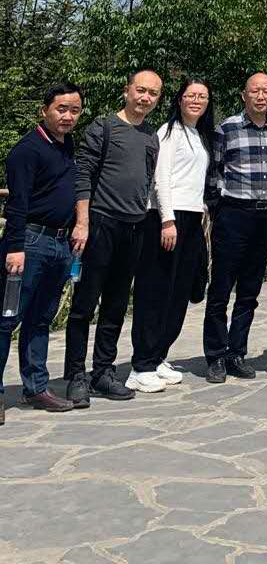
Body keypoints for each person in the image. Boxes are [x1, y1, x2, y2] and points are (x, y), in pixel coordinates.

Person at [63, 70, 163, 406]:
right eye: (140, 90)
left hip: (134, 227)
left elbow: (147, 181)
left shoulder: (151, 136)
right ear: (127, 91)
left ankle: (102, 372)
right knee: (84, 305)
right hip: (101, 224)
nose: (145, 98)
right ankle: (76, 376)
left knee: (116, 305)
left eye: (152, 93)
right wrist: (82, 222)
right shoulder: (103, 126)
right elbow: (83, 174)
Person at [1, 85, 83, 423]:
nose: (67, 116)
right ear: (44, 110)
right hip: (30, 243)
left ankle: (36, 387)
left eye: (74, 110)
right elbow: (17, 203)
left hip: (60, 244)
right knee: (7, 319)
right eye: (61, 109)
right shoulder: (27, 150)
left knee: (41, 319)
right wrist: (15, 247)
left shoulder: (67, 146)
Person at [128, 78, 213, 393]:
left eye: (202, 96)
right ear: (179, 99)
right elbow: (160, 179)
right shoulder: (169, 132)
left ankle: (158, 354)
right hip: (167, 219)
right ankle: (141, 365)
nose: (196, 100)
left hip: (192, 218)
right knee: (155, 291)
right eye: (191, 95)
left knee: (178, 292)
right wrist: (167, 219)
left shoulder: (199, 135)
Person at [203, 72, 267, 383]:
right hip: (233, 214)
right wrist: (219, 208)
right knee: (221, 288)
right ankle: (215, 355)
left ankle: (236, 352)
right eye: (255, 91)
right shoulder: (227, 128)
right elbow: (213, 171)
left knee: (250, 291)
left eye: (266, 91)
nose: (260, 96)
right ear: (244, 95)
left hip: (264, 217)